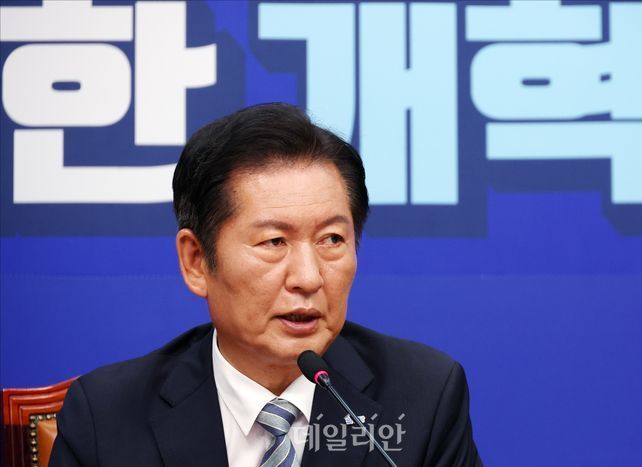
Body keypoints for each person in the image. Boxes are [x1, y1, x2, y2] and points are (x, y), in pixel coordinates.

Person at [50, 103, 482, 467]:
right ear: (196, 261)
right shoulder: (107, 416)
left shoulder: (424, 398)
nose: (308, 277)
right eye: (274, 242)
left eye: (332, 239)